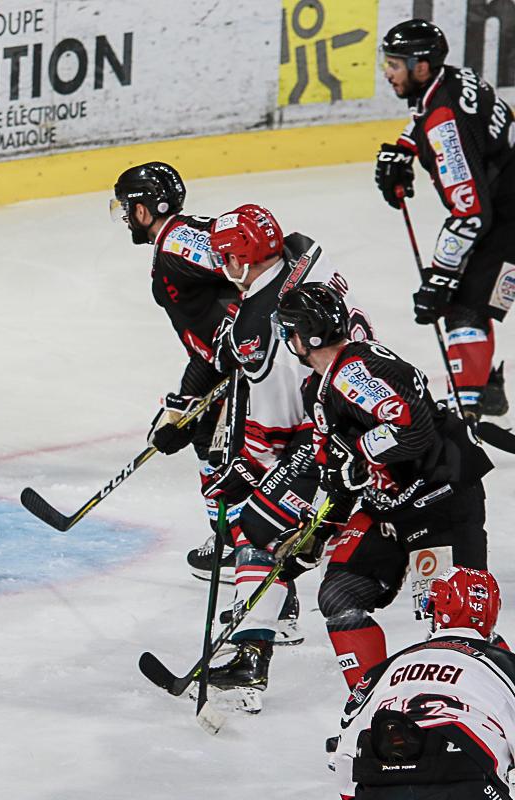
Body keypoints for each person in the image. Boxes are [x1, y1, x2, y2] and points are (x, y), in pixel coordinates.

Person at [275, 283, 492, 690]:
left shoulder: (353, 372)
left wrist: (359, 454)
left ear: (304, 336)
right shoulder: (320, 387)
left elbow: (414, 430)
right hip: (389, 508)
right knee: (340, 595)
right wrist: (317, 532)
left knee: (460, 620)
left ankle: (484, 704)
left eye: (288, 331)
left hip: (440, 502)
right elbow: (339, 469)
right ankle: (369, 702)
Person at [198, 205, 373, 704]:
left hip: (329, 435)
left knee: (254, 526)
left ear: (243, 258)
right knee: (271, 522)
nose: (222, 265)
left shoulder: (259, 329)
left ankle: (254, 655)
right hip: (364, 399)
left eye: (226, 256)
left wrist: (244, 468)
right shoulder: (304, 252)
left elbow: (275, 430)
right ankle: (275, 615)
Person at [375, 18, 515, 418]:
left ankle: (464, 414)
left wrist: (440, 275)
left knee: (464, 305)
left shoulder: (444, 124)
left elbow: (471, 213)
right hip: (504, 202)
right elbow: (428, 114)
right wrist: (405, 147)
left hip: (507, 218)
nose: (387, 72)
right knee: (465, 296)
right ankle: (485, 390)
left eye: (395, 64)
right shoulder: (453, 78)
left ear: (421, 66)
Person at [112, 162, 239, 583]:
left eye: (127, 207)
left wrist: (245, 350)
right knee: (201, 434)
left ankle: (243, 550)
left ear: (143, 210)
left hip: (255, 362)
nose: (125, 216)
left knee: (228, 451)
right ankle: (230, 539)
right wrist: (184, 401)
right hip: (230, 357)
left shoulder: (176, 247)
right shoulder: (181, 234)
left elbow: (252, 279)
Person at [331, 567, 515, 799]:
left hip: (382, 785)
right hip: (468, 782)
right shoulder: (506, 665)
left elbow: (345, 756)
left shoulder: (383, 670)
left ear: (436, 610)